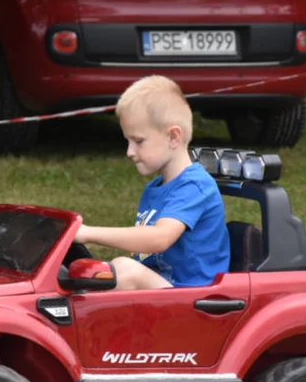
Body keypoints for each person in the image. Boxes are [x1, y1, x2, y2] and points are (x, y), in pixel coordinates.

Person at [75, 75, 230, 290]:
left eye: (138, 141)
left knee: (124, 270)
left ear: (173, 137)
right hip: (162, 293)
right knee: (90, 271)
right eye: (127, 141)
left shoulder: (195, 186)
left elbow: (159, 238)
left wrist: (86, 233)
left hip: (194, 299)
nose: (129, 152)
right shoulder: (154, 189)